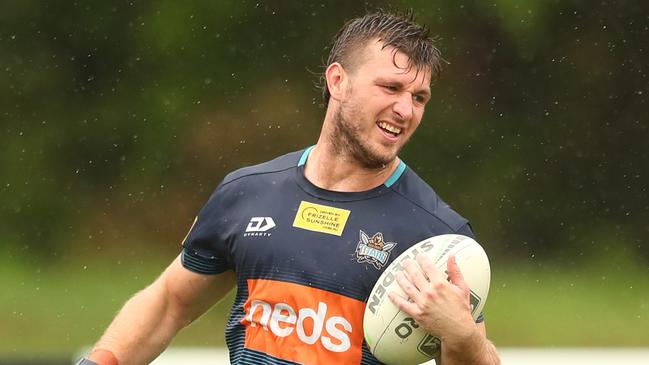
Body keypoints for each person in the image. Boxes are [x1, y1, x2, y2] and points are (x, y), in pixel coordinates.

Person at [77, 11, 500, 365]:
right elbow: (170, 303)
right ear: (338, 81)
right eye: (390, 87)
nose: (405, 109)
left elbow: (471, 351)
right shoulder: (247, 194)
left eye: (420, 97)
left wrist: (464, 338)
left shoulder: (437, 237)